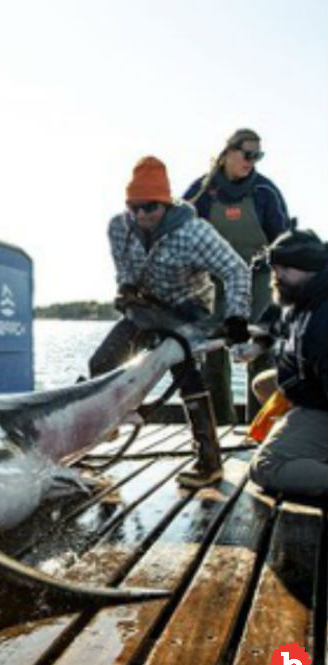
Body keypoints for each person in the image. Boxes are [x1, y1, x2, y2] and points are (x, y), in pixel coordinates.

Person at [90, 156, 251, 488]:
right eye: (134, 207)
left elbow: (236, 270)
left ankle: (208, 461)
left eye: (150, 207)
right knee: (101, 361)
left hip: (187, 306)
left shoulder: (194, 232)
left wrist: (236, 316)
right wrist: (125, 287)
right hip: (145, 303)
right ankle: (104, 426)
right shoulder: (118, 227)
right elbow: (123, 267)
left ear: (165, 203)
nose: (142, 215)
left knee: (185, 374)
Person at [184, 128, 290, 423]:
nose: (252, 161)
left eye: (258, 156)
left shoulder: (265, 192)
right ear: (228, 152)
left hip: (258, 279)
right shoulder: (202, 192)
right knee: (214, 354)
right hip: (214, 281)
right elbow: (181, 234)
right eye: (247, 154)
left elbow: (282, 241)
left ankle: (260, 428)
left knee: (259, 350)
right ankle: (221, 425)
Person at [238, 228, 328, 498]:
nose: (276, 276)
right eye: (274, 268)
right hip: (310, 387)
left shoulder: (322, 320)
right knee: (263, 384)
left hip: (321, 401)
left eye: (284, 269)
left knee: (267, 467)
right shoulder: (301, 292)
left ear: (309, 267)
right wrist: (255, 346)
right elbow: (274, 319)